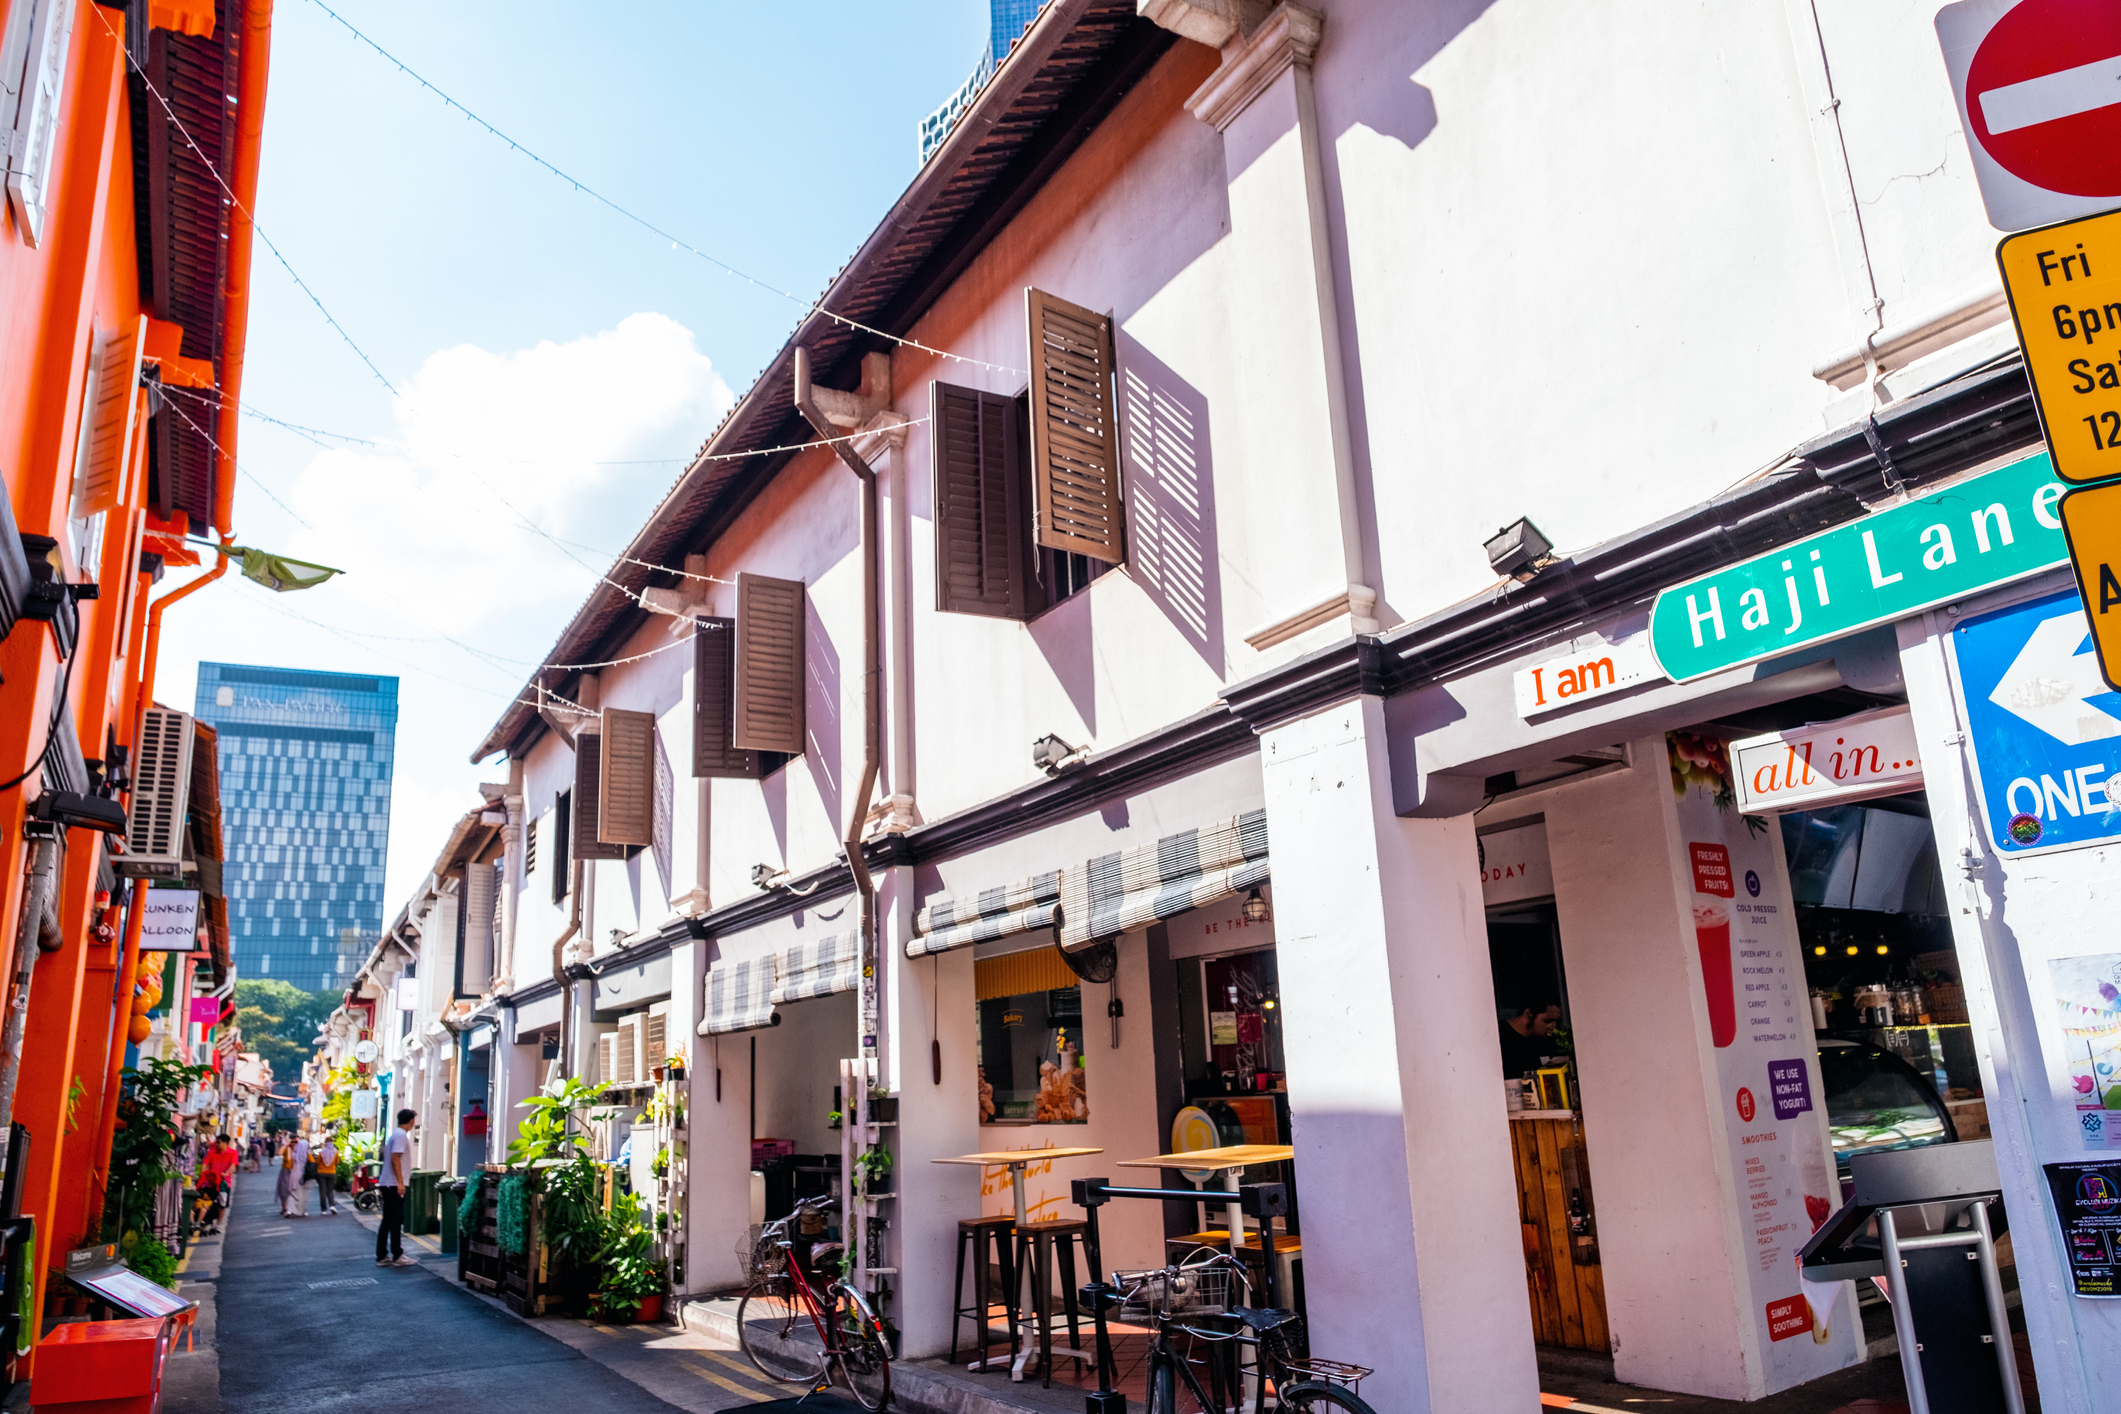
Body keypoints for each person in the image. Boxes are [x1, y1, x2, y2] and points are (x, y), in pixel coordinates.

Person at [377, 1109, 416, 1268]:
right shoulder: (400, 1135)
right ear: (411, 1121)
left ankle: (382, 1255)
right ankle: (397, 1254)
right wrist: (400, 1182)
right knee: (395, 1219)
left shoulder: (395, 1134)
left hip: (387, 1183)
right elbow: (395, 1158)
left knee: (387, 1220)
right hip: (393, 1184)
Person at [1499, 999, 1563, 1085]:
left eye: (1556, 1021)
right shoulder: (1501, 1037)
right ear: (1528, 1014)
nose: (1552, 1027)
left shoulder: (1545, 1040)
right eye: (1547, 1021)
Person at [199, 1135, 239, 1233]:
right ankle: (204, 1223)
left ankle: (217, 1225)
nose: (216, 1144)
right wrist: (203, 1175)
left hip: (224, 1184)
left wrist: (226, 1173)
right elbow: (204, 1164)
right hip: (211, 1183)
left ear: (226, 1143)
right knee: (207, 1203)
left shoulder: (233, 1153)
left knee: (222, 1205)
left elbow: (233, 1165)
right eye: (216, 1142)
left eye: (219, 1142)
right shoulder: (211, 1153)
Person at [315, 1133, 340, 1215]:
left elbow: (318, 1162)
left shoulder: (321, 1152)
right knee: (330, 1190)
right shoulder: (335, 1152)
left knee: (322, 1191)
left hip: (321, 1172)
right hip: (332, 1172)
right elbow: (337, 1162)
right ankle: (332, 1205)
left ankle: (323, 1209)